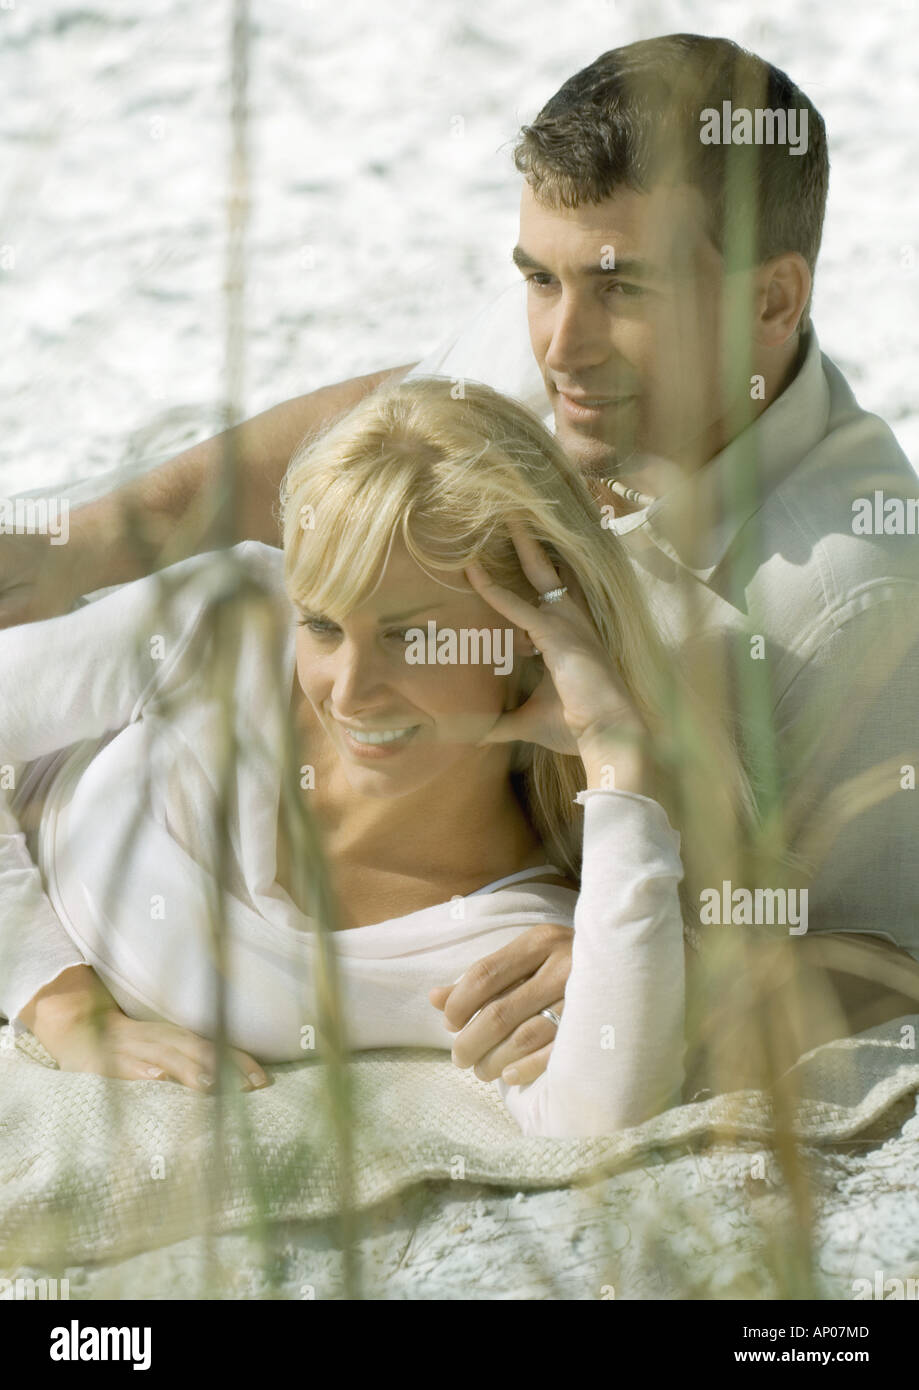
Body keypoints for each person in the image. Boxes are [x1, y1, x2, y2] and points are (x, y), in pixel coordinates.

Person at [4, 35, 918, 1092]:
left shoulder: (855, 596)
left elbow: (890, 959)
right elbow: (387, 435)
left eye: (621, 292)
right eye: (538, 278)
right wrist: (118, 530)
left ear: (772, 299)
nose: (557, 349)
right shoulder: (569, 342)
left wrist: (697, 970)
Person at [1, 376, 747, 1137]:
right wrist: (62, 1005)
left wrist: (615, 750)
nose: (350, 693)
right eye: (323, 626)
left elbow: (597, 1115)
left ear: (528, 640)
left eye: (407, 636)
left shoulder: (506, 932)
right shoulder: (233, 618)